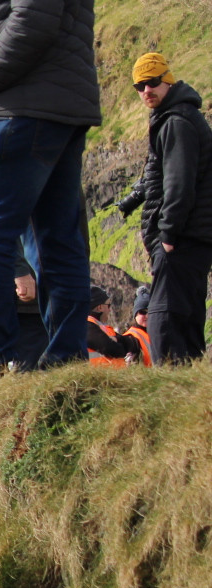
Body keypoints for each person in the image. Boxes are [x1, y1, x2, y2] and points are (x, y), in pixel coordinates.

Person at [0, 0, 101, 376]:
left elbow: (36, 15)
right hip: (57, 104)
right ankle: (66, 361)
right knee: (57, 237)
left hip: (19, 105)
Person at [132, 53, 212, 362]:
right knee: (186, 317)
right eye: (139, 86)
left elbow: (179, 184)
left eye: (152, 82)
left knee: (164, 317)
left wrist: (167, 235)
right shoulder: (179, 116)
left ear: (168, 80)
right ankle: (186, 379)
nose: (146, 91)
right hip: (193, 236)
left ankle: (167, 380)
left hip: (182, 238)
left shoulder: (176, 121)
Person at [86, 285, 139, 363]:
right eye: (108, 306)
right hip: (99, 371)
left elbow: (129, 342)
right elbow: (110, 348)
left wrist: (117, 340)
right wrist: (121, 347)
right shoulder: (86, 325)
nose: (110, 310)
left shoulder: (100, 326)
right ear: (100, 308)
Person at [123, 285, 155, 364]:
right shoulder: (130, 338)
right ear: (135, 315)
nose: (147, 316)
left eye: (150, 312)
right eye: (143, 312)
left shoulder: (162, 333)